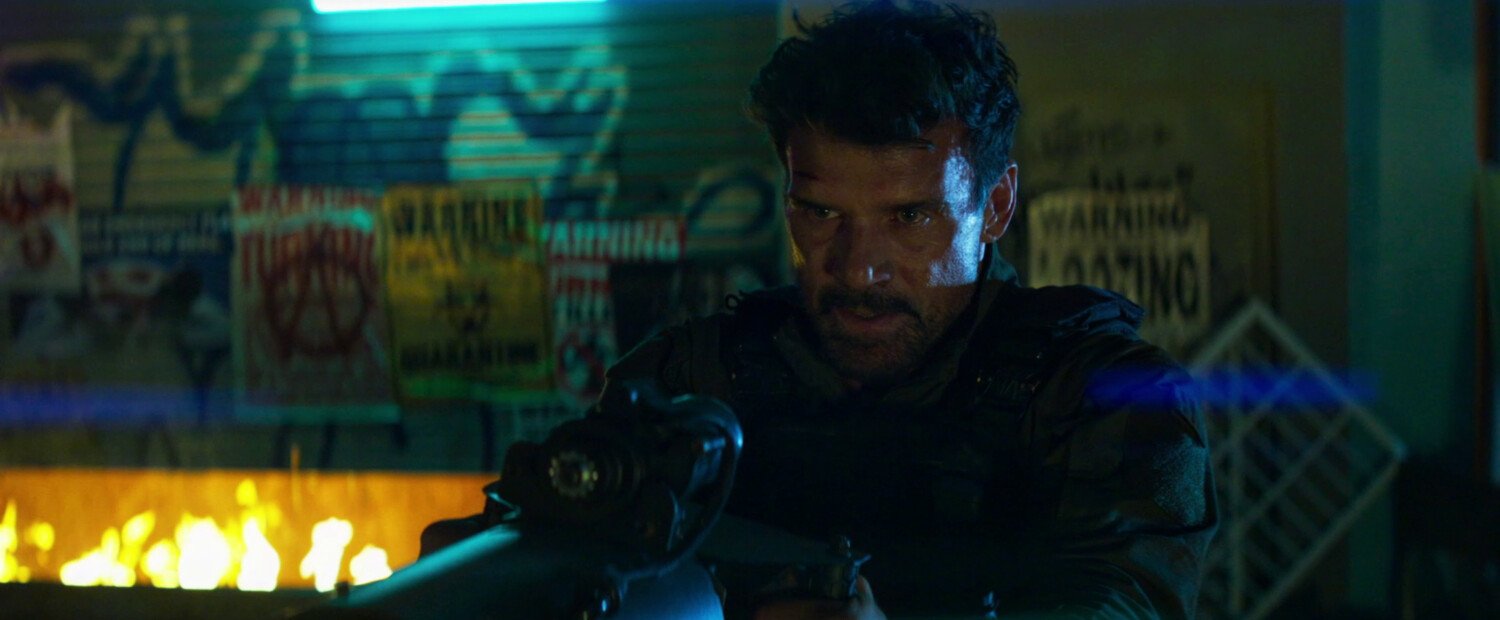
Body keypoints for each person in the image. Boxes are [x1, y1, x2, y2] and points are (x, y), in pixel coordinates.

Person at [599, 1, 1217, 618]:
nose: (858, 268)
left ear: (996, 206)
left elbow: (1120, 600)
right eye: (820, 212)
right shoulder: (692, 379)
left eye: (910, 216)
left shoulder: (1101, 396)